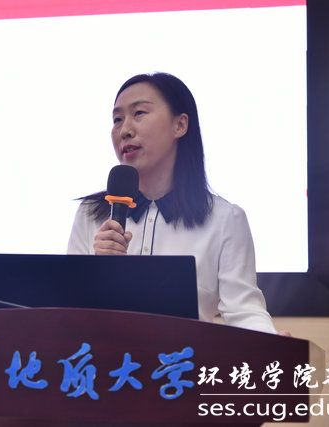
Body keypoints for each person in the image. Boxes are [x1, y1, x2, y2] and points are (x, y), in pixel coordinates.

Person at [68, 72, 284, 335]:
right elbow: (68, 314)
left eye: (139, 113)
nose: (125, 130)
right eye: (117, 119)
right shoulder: (90, 215)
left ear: (179, 125)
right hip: (106, 359)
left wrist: (273, 343)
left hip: (185, 360)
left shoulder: (226, 220)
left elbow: (244, 312)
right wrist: (97, 271)